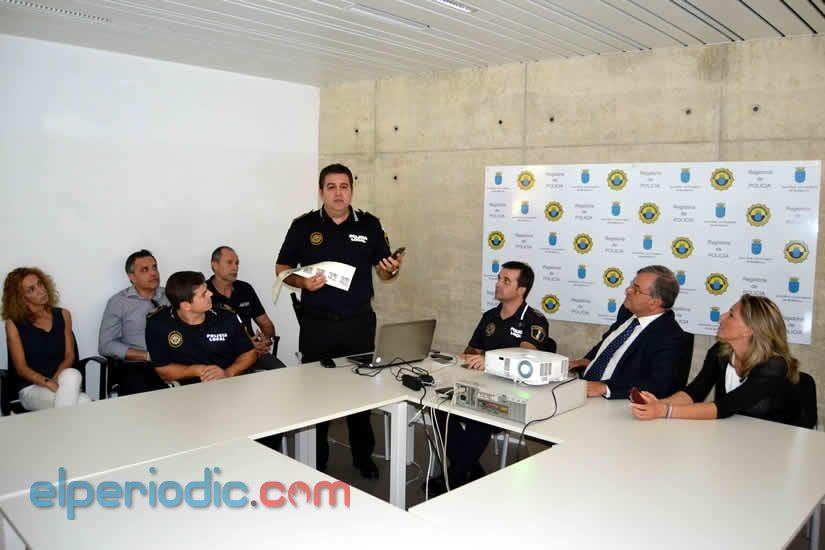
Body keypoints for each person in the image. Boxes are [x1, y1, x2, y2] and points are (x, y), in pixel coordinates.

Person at [275, 163, 403, 478]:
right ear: (321, 191)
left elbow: (384, 270)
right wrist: (302, 283)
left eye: (344, 186)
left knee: (360, 391)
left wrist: (390, 270)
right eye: (331, 187)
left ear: (351, 191)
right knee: (315, 393)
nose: (338, 193)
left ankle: (363, 457)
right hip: (317, 324)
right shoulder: (304, 225)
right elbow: (282, 268)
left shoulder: (370, 225)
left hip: (358, 322)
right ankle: (317, 459)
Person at [433, 261, 550, 492]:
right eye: (498, 278)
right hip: (479, 385)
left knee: (480, 415)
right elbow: (471, 352)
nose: (498, 284)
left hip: (511, 395)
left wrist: (490, 360)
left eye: (506, 281)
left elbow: (526, 356)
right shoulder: (490, 316)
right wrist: (464, 358)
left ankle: (454, 479)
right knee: (438, 408)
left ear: (521, 289)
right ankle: (469, 468)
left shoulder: (535, 320)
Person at [631, 294, 803, 425]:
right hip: (731, 435)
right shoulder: (720, 352)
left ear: (749, 330)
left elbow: (725, 407)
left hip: (774, 442)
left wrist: (664, 411)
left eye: (731, 315)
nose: (722, 317)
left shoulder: (773, 366)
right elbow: (694, 392)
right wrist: (658, 404)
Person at [570, 265, 692, 400]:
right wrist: (587, 360)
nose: (628, 290)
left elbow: (659, 384)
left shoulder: (671, 337)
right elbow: (609, 342)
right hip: (582, 387)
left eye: (636, 290)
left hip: (613, 401)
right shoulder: (628, 312)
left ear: (654, 303)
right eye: (631, 285)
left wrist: (606, 387)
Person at [145, 271, 256, 384]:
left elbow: (249, 353)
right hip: (188, 388)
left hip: (230, 381)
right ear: (186, 306)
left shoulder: (225, 316)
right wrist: (199, 370)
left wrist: (228, 373)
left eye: (207, 289)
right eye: (204, 294)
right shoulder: (158, 324)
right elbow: (162, 370)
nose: (210, 294)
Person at [2, 267, 90, 410]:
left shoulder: (63, 315)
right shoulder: (13, 324)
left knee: (73, 374)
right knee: (83, 401)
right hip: (31, 387)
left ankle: (60, 424)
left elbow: (69, 355)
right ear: (21, 298)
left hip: (63, 381)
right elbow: (21, 368)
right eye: (31, 289)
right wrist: (47, 382)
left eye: (40, 284)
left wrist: (56, 379)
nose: (41, 290)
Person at [98, 249, 168, 396]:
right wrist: (147, 356)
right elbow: (106, 345)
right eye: (145, 270)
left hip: (173, 360)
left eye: (154, 267)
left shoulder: (169, 295)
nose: (153, 273)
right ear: (132, 277)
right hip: (139, 365)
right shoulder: (119, 303)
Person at [206, 246, 285, 370]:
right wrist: (245, 345)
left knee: (282, 372)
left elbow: (265, 323)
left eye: (237, 263)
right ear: (214, 265)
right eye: (229, 262)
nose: (235, 267)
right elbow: (202, 336)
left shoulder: (245, 289)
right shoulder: (203, 293)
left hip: (254, 352)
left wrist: (266, 340)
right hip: (221, 356)